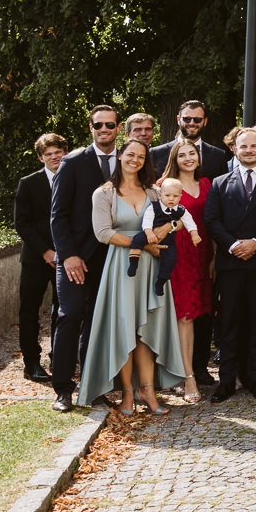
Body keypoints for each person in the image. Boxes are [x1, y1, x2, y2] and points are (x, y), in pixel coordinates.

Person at [76, 138, 186, 414]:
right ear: (120, 156)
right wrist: (141, 243)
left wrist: (165, 231)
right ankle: (126, 395)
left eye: (141, 156)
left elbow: (175, 218)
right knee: (125, 330)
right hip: (121, 268)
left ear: (145, 161)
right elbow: (102, 234)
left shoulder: (152, 193)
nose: (135, 160)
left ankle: (147, 392)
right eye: (130, 154)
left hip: (151, 267)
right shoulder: (104, 194)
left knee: (145, 330)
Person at [203, 127, 256, 401]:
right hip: (230, 264)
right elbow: (211, 220)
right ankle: (226, 382)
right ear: (234, 149)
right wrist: (232, 245)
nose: (249, 151)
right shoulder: (219, 183)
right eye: (244, 146)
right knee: (229, 325)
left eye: (254, 146)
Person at [48, 105, 122, 412]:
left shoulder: (130, 160)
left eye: (109, 125)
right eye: (98, 125)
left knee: (98, 323)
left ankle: (93, 387)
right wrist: (68, 256)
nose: (104, 129)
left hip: (113, 257)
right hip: (76, 259)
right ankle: (63, 389)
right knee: (70, 315)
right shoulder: (73, 162)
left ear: (119, 128)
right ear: (90, 128)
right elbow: (57, 215)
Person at [157, 139, 214, 404]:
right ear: (174, 159)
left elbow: (212, 222)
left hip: (202, 254)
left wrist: (214, 257)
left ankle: (185, 370)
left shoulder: (207, 185)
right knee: (184, 316)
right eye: (183, 155)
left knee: (199, 314)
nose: (189, 158)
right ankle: (187, 376)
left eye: (193, 153)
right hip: (177, 255)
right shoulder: (164, 186)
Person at [15, 133, 66, 384]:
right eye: (49, 154)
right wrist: (46, 252)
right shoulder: (28, 183)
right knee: (29, 311)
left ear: (64, 153)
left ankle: (60, 357)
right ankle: (31, 363)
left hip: (67, 258)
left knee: (64, 311)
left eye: (58, 152)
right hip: (36, 258)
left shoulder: (73, 179)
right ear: (40, 157)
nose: (54, 157)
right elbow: (22, 223)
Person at [149, 100, 230, 179]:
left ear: (205, 121)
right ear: (178, 120)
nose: (192, 123)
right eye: (187, 119)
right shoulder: (156, 154)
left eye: (197, 119)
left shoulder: (218, 156)